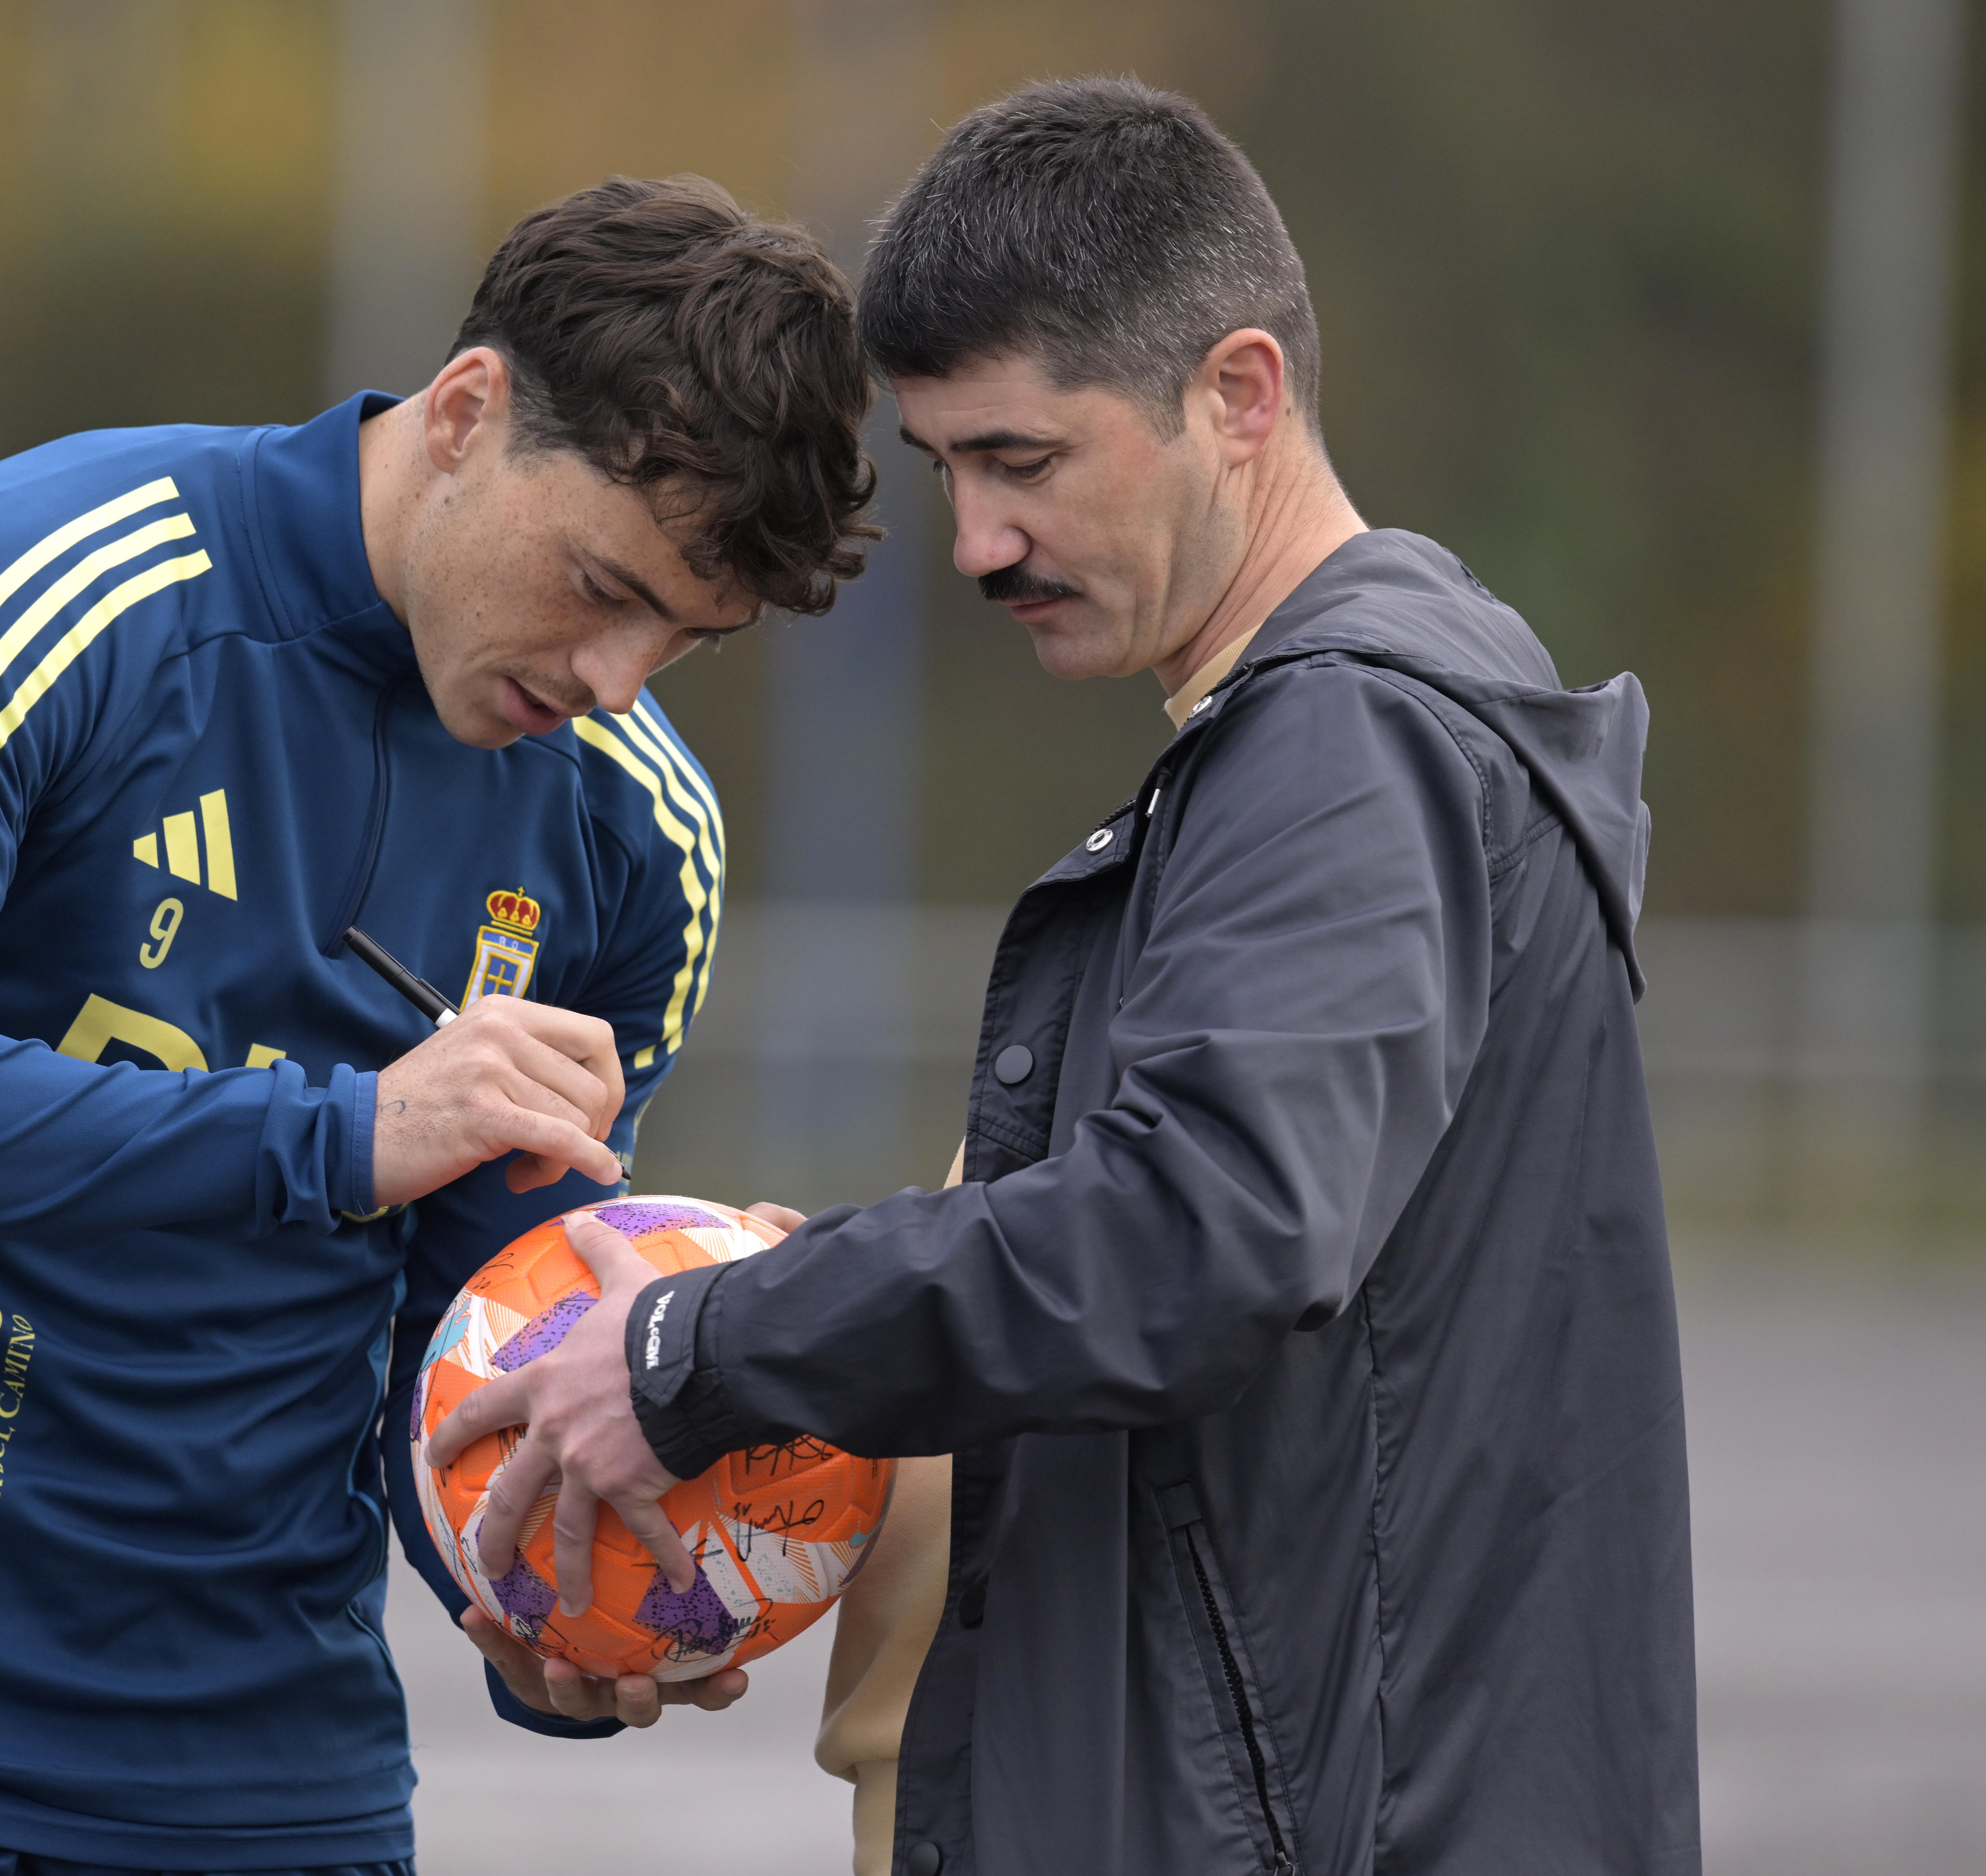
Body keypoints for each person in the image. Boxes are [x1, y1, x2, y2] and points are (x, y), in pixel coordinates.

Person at [433, 80, 1700, 1876]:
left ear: (1237, 396)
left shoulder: (1349, 741)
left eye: (1023, 462)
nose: (977, 545)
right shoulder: (1308, 745)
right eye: (951, 470)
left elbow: (1200, 1234)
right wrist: (796, 1354)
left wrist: (707, 1347)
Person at [0, 174, 877, 1874]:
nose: (618, 679)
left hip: (274, 1785)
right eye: (596, 583)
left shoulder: (640, 837)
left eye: (684, 640)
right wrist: (337, 1136)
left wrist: (548, 1598)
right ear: (469, 414)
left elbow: (473, 1324)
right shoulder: (59, 584)